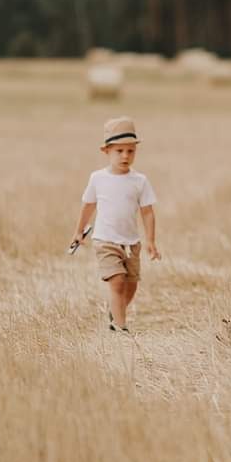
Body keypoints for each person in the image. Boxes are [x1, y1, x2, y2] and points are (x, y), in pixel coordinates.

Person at [71, 116, 160, 333]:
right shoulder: (98, 178)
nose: (125, 156)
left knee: (131, 286)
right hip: (105, 240)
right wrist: (78, 232)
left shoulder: (140, 181)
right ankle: (120, 328)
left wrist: (150, 241)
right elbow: (88, 206)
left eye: (130, 151)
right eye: (119, 151)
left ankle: (116, 311)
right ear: (107, 151)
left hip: (131, 243)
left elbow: (147, 212)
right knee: (117, 282)